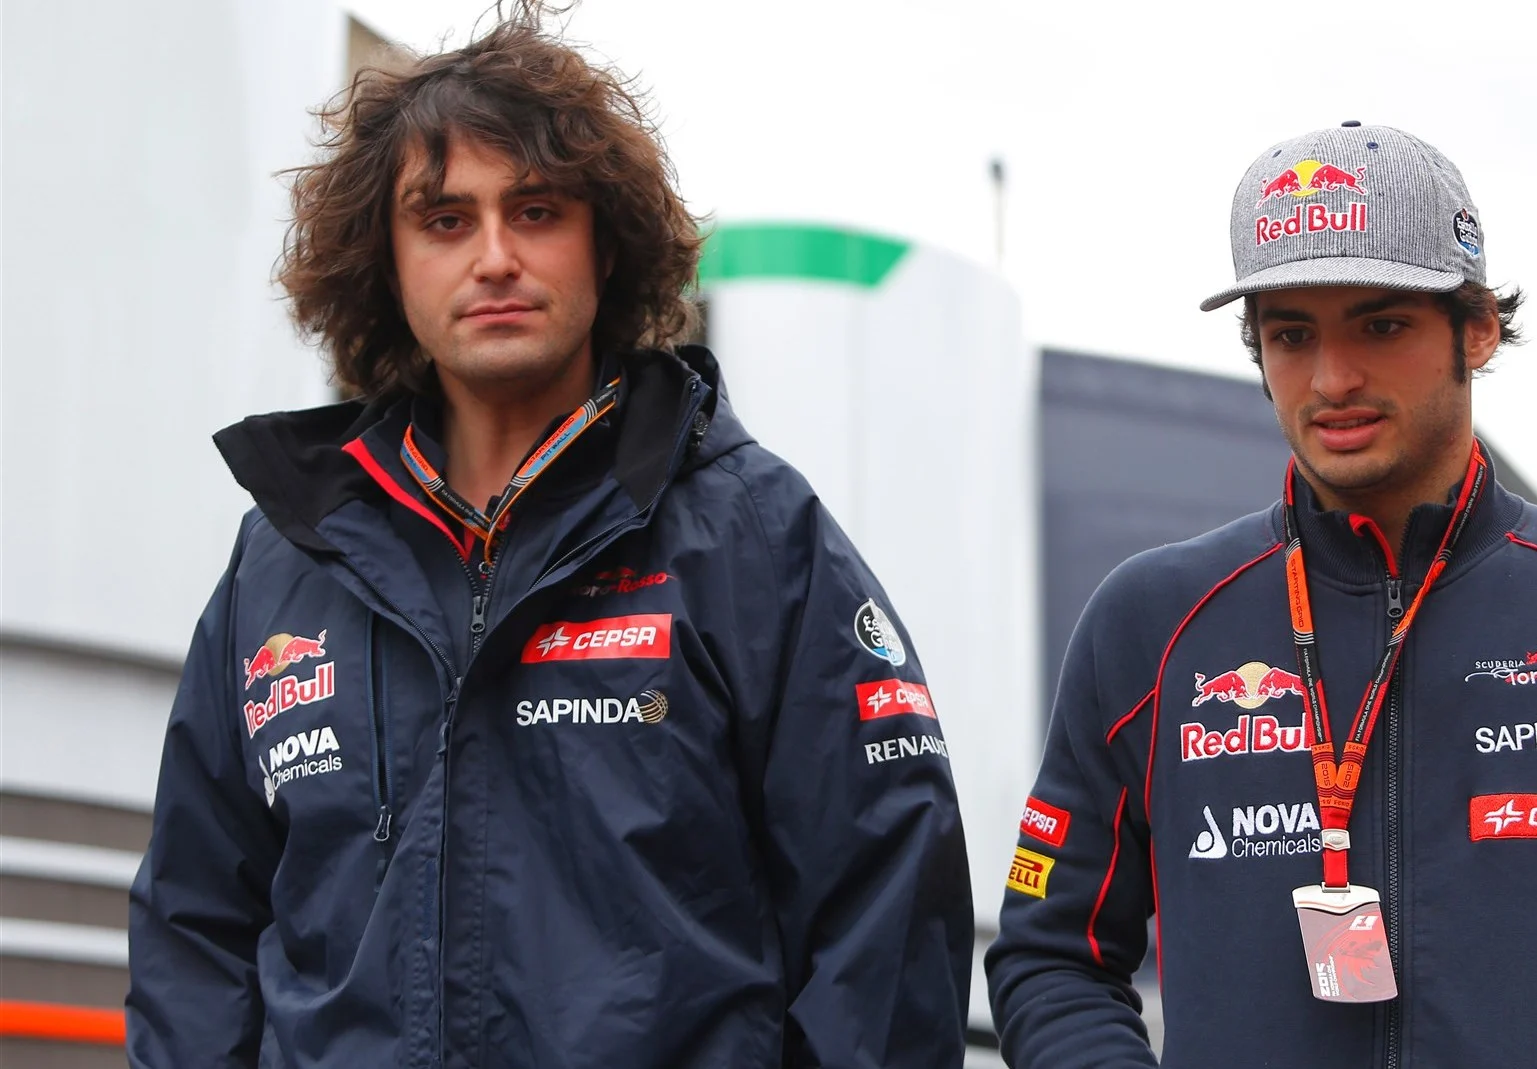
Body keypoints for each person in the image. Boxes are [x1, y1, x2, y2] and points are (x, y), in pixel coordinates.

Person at [126, 8, 972, 1066]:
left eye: (534, 211)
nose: (493, 257)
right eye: (443, 220)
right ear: (383, 261)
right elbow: (193, 927)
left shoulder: (754, 535)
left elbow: (884, 929)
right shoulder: (284, 561)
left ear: (605, 243)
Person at [985, 122, 1537, 1067]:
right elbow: (1050, 954)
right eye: (1291, 334)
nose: (1332, 377)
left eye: (1381, 324)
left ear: (1476, 328)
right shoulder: (1150, 622)